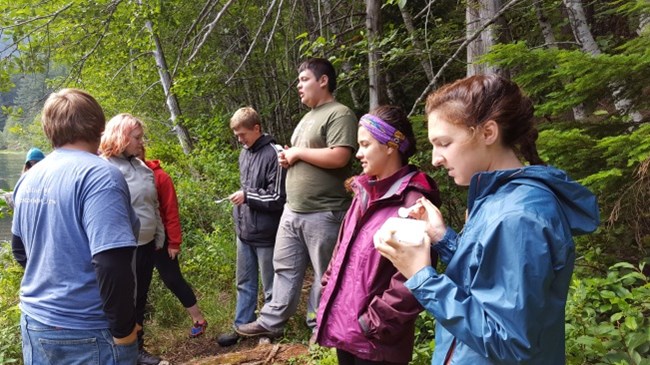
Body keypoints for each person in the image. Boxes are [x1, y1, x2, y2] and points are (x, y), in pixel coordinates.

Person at [374, 74, 600, 364]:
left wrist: (421, 277)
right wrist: (443, 238)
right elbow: (488, 280)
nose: (435, 159)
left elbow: (510, 341)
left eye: (443, 143)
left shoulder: (519, 217)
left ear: (487, 133)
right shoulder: (500, 199)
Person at [11, 88, 139, 364]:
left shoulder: (29, 177)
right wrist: (124, 331)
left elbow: (20, 251)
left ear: (49, 129)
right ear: (99, 126)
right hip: (89, 330)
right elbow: (111, 262)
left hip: (35, 320)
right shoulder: (100, 176)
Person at [236, 58, 358, 338]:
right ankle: (271, 321)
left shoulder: (339, 113)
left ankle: (320, 326)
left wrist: (299, 154)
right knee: (284, 266)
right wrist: (289, 158)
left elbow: (340, 156)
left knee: (324, 273)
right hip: (293, 210)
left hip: (324, 211)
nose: (299, 86)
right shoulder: (307, 117)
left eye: (304, 80)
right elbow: (309, 154)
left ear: (323, 80)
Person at [314, 105, 441, 365]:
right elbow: (340, 251)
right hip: (345, 329)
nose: (358, 153)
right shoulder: (363, 193)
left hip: (376, 344)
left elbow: (411, 279)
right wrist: (326, 291)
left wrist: (372, 323)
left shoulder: (413, 203)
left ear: (390, 146)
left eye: (365, 144)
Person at [217, 107, 287, 347]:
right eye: (236, 135)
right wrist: (243, 198)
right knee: (244, 282)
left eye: (243, 134)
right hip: (244, 231)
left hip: (267, 234)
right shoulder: (244, 154)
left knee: (270, 285)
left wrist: (247, 196)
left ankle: (270, 328)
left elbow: (277, 197)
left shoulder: (274, 154)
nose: (240, 139)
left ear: (257, 128)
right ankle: (241, 326)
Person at [101, 113, 166, 365]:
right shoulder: (106, 167)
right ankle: (126, 352)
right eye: (137, 138)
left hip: (147, 244)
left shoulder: (141, 166)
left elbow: (153, 204)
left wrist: (159, 232)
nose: (141, 142)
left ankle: (138, 347)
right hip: (124, 247)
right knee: (124, 300)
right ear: (121, 137)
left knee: (140, 298)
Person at [139, 147, 208, 339]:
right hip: (136, 240)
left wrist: (174, 242)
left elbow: (171, 211)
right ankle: (136, 336)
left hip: (161, 239)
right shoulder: (122, 174)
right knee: (137, 288)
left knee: (172, 279)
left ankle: (198, 319)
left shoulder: (160, 177)